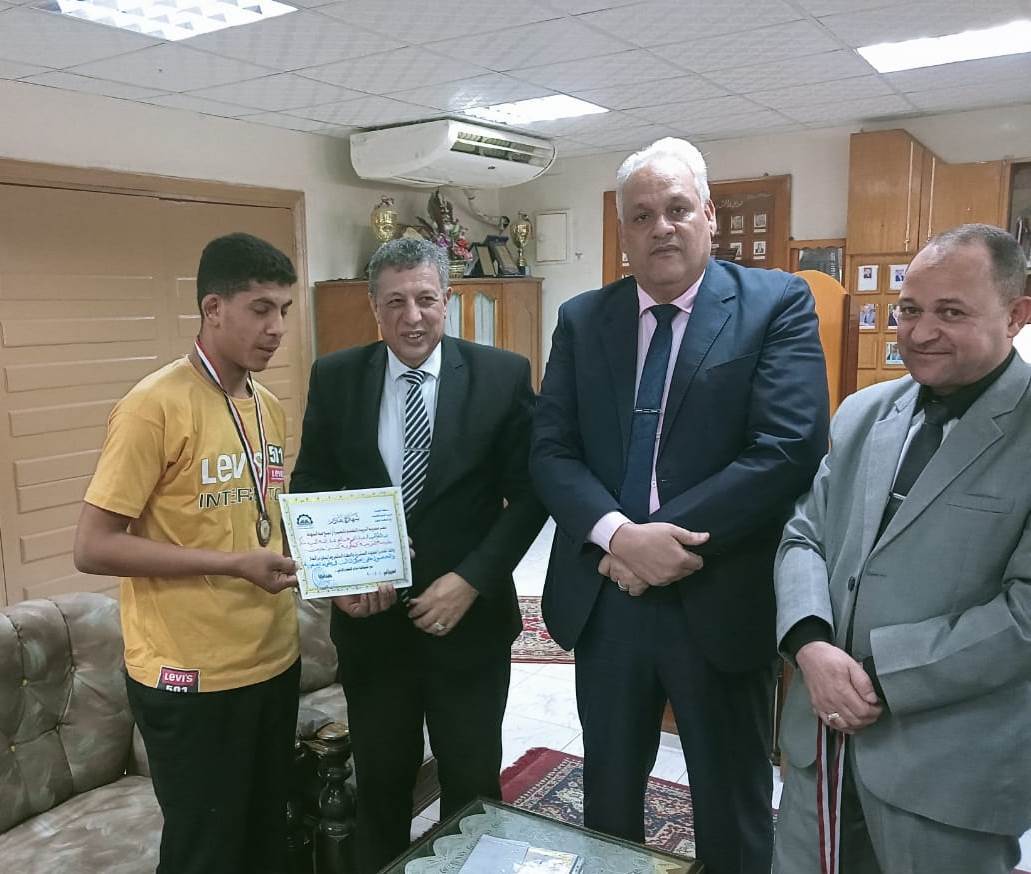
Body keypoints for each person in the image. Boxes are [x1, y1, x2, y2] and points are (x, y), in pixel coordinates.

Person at [530, 137, 829, 874]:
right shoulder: (582, 319)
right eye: (641, 216)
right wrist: (619, 537)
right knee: (608, 799)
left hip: (717, 596)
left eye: (676, 209)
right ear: (623, 232)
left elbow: (787, 446)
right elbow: (551, 451)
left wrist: (661, 543)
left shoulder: (774, 303)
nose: (660, 227)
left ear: (709, 216)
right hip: (608, 598)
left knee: (731, 804)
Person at [774, 224, 1031, 874]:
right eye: (909, 309)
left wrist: (875, 676)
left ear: (1015, 315)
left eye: (951, 312)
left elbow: (1025, 615)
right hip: (820, 749)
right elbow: (804, 533)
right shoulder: (863, 412)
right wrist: (809, 644)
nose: (919, 333)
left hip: (949, 773)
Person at [290, 237, 546, 874]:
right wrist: (341, 580)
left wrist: (471, 580)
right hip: (372, 630)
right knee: (381, 788)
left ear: (447, 300)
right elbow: (311, 487)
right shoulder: (336, 376)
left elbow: (532, 496)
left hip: (469, 624)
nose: (413, 317)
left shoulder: (501, 375)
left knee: (472, 786)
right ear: (373, 307)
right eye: (396, 302)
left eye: (427, 300)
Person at [73, 232, 301, 874]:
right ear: (213, 309)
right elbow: (93, 546)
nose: (277, 328)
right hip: (191, 675)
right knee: (206, 853)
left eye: (284, 310)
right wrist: (231, 565)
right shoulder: (153, 406)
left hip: (273, 660)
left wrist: (352, 553)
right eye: (261, 308)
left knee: (267, 839)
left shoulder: (269, 407)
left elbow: (263, 519)